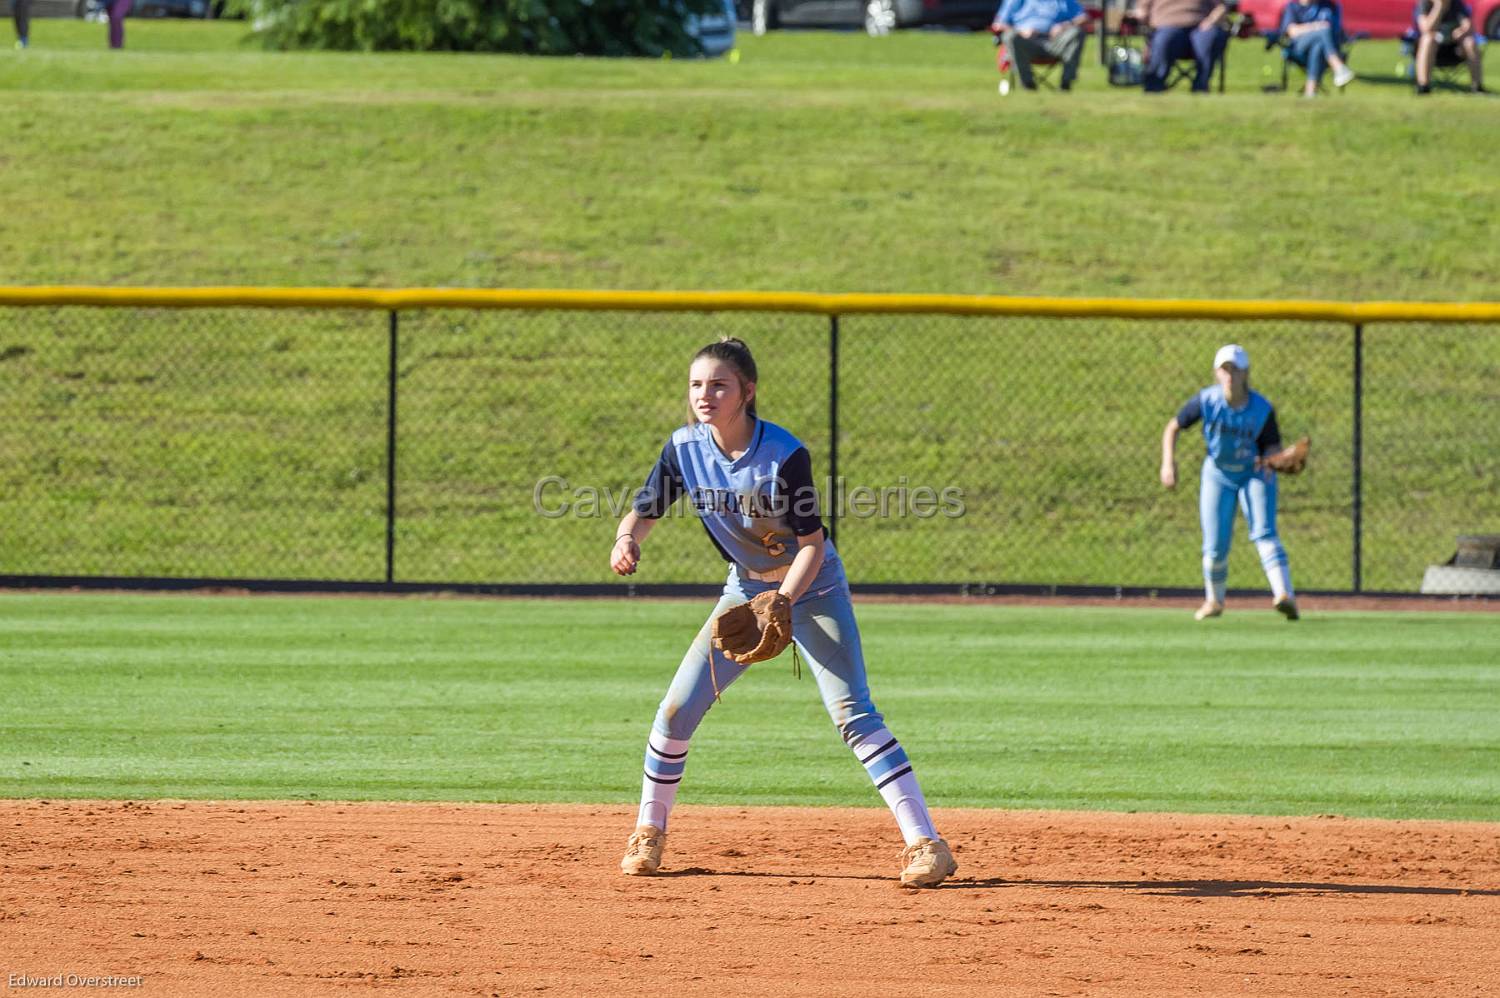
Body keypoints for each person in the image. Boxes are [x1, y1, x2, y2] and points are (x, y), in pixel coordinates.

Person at [610, 336, 957, 889]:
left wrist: (783, 602)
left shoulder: (783, 453)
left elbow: (813, 544)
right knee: (676, 711)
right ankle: (647, 834)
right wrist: (627, 540)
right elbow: (642, 513)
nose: (706, 394)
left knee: (853, 713)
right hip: (743, 589)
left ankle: (926, 845)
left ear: (747, 392)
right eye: (697, 384)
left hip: (813, 588)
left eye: (719, 384)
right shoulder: (683, 449)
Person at [1159, 344, 1299, 622]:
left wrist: (1278, 460)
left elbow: (1272, 448)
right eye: (1225, 369)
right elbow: (1173, 426)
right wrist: (1167, 462)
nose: (1230, 375)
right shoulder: (1206, 400)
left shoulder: (1261, 409)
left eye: (1235, 369)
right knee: (1215, 544)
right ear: (1216, 373)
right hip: (1218, 472)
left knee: (1264, 531)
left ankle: (1285, 596)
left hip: (1253, 472)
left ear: (1246, 373)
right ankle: (1214, 601)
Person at [991, 0, 1091, 91]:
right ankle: (1027, 83)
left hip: (1055, 43)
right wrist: (1021, 32)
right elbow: (998, 24)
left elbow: (1085, 17)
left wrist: (1064, 25)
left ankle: (1066, 83)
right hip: (1026, 43)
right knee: (1010, 36)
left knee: (1076, 32)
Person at [1134, 0, 1232, 92]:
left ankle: (1201, 86)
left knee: (1210, 36)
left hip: (1201, 26)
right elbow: (1142, 10)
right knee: (1164, 39)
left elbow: (1221, 7)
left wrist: (1211, 21)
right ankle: (1154, 86)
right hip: (1167, 26)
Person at [1277, 0, 1356, 96]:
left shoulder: (1326, 6)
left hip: (1323, 51)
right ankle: (1338, 66)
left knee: (1318, 45)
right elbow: (1292, 31)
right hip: (1299, 49)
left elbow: (1338, 31)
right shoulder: (1293, 6)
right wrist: (1315, 27)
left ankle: (1310, 91)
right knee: (1324, 30)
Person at [1413, 0, 1486, 94]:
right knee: (1428, 39)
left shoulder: (1456, 3)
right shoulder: (1425, 3)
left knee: (1469, 41)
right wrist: (1439, 7)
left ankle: (1477, 87)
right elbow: (1426, 29)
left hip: (1454, 49)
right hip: (1433, 51)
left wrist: (1461, 31)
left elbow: (1469, 25)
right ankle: (1423, 85)